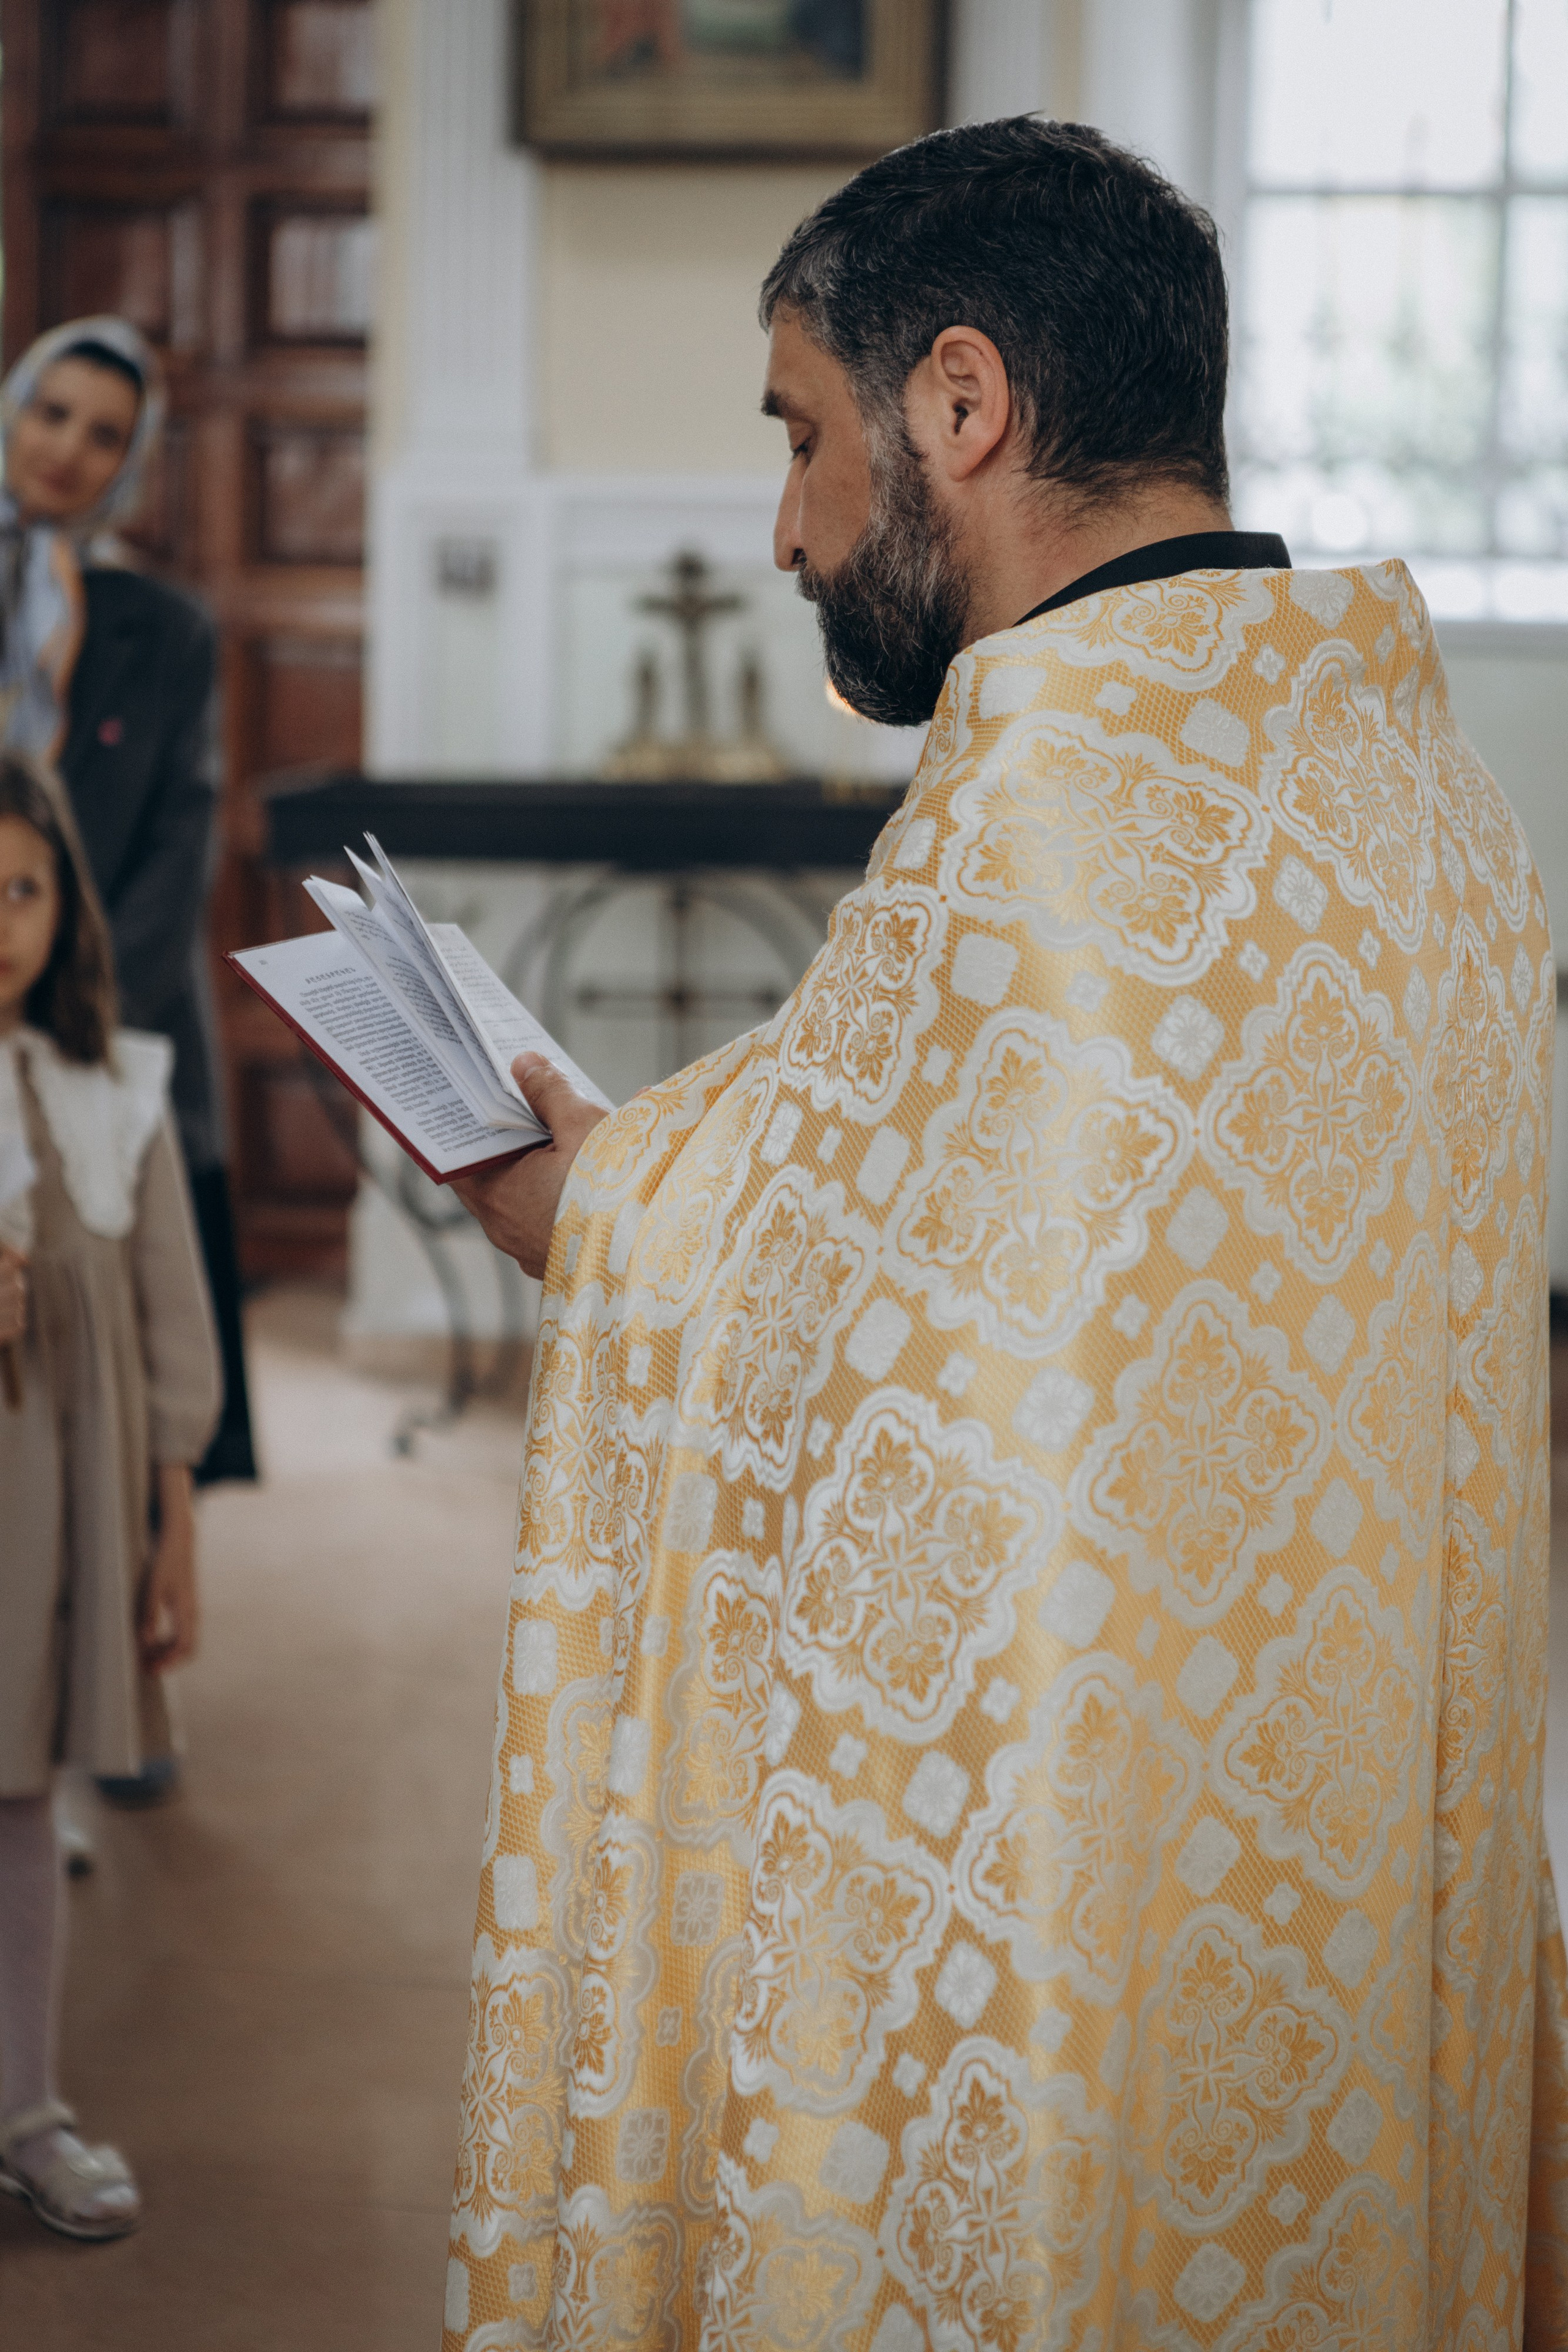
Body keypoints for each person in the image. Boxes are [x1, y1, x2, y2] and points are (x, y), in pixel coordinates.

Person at [442, 120, 1566, 2347]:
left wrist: (572, 1207)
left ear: (962, 406)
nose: (783, 528)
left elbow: (776, 1296)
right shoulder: (1413, 783)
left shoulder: (1047, 806)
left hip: (1067, 1944)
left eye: (803, 437)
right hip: (1328, 1907)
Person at [0, 756, 219, 2238]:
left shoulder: (114, 1085)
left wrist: (171, 1523)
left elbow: (170, 1328)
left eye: (20, 886)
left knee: (19, 1804)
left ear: (65, 902)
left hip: (45, 1529)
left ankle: (25, 2108)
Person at [1, 318, 255, 1542]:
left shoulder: (169, 632)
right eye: (51, 413)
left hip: (108, 1022)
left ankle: (118, 1641)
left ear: (132, 465)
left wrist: (63, 1013)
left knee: (112, 1364)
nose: (67, 450)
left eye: (105, 435)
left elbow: (177, 854)